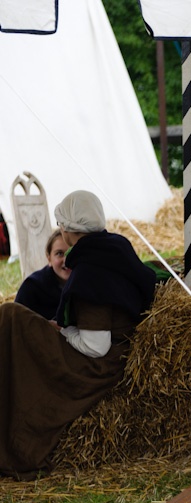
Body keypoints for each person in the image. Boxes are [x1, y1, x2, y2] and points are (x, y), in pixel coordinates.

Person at [0, 190, 157, 481]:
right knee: (12, 319)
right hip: (116, 352)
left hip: (98, 366)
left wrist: (62, 331)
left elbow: (96, 346)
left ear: (70, 230)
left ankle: (14, 443)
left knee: (10, 319)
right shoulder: (114, 247)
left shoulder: (90, 270)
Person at [14, 228, 70, 320]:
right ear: (49, 259)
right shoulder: (32, 287)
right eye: (59, 253)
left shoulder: (91, 282)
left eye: (71, 253)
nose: (67, 260)